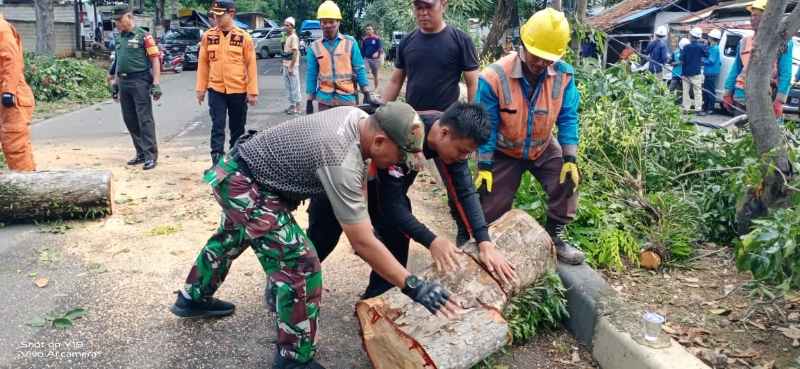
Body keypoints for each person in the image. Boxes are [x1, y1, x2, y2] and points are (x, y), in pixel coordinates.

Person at [170, 102, 460, 369]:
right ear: (381, 141)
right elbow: (360, 241)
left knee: (232, 236)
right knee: (300, 264)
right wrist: (413, 286)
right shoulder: (340, 158)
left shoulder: (359, 119)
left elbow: (360, 204)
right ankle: (294, 358)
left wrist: (367, 236)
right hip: (243, 182)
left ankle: (192, 298)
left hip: (241, 171)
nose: (402, 164)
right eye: (401, 156)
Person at [304, 102, 518, 302]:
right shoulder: (408, 134)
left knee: (396, 239)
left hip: (382, 188)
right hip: (339, 180)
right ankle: (294, 286)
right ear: (444, 133)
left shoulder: (451, 138)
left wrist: (484, 241)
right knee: (323, 238)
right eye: (462, 152)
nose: (463, 158)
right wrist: (432, 241)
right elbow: (391, 205)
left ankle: (375, 302)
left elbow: (465, 191)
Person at [474, 8, 585, 265]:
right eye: (537, 56)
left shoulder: (564, 75)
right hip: (503, 150)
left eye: (548, 60)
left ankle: (555, 236)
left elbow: (568, 117)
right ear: (523, 45)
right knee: (490, 206)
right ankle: (487, 243)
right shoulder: (493, 77)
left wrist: (570, 158)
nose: (541, 64)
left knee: (566, 178)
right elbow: (486, 124)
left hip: (543, 145)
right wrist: (485, 165)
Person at [382, 0, 480, 245]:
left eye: (429, 7)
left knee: (457, 186)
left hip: (448, 131)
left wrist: (469, 124)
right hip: (412, 130)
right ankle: (390, 229)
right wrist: (382, 113)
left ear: (443, 4)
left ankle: (463, 230)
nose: (423, 13)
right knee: (397, 182)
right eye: (418, 7)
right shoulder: (408, 42)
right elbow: (395, 80)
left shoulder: (460, 41)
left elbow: (473, 83)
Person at [196, 0, 258, 168]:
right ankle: (216, 161)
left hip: (238, 89)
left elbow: (251, 64)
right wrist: (201, 89)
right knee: (217, 125)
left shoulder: (243, 37)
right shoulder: (209, 36)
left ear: (231, 14)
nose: (215, 17)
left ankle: (234, 161)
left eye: (220, 15)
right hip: (216, 89)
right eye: (214, 14)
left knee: (237, 127)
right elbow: (203, 63)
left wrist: (252, 92)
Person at [108, 4, 161, 170]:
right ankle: (140, 153)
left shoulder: (144, 36)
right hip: (123, 82)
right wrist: (115, 83)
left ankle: (150, 155)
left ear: (129, 17)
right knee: (129, 119)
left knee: (144, 119)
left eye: (120, 19)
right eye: (115, 20)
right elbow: (118, 62)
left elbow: (155, 59)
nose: (117, 23)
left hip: (140, 81)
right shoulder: (119, 38)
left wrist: (156, 84)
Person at [724, 0, 793, 119]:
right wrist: (727, 92)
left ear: (768, 18)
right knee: (739, 133)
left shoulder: (781, 42)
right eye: (751, 15)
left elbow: (785, 73)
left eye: (756, 15)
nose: (752, 19)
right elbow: (735, 69)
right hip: (742, 95)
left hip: (767, 96)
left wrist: (779, 101)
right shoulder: (744, 42)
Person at [305, 1, 375, 113]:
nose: (327, 25)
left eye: (331, 21)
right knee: (326, 129)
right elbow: (311, 74)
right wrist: (309, 101)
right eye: (324, 22)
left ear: (338, 22)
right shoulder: (314, 47)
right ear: (320, 23)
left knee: (346, 129)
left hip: (347, 98)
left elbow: (359, 68)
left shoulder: (350, 42)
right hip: (325, 100)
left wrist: (366, 93)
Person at [0, 13, 35, 171]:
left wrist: (9, 91)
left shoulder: (2, 28)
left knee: (15, 145)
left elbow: (11, 60)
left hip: (11, 95)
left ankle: (27, 187)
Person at [681, 27, 707, 115]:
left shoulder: (686, 47)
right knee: (697, 91)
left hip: (685, 72)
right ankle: (698, 109)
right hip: (696, 72)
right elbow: (707, 54)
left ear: (691, 36)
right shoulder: (701, 47)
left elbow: (682, 59)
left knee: (685, 91)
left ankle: (686, 108)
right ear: (699, 37)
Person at [282, 16, 302, 115]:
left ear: (292, 26)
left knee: (294, 87)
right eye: (285, 25)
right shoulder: (288, 37)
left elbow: (295, 53)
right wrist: (284, 66)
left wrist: (291, 66)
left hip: (292, 66)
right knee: (288, 87)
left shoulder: (294, 37)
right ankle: (292, 105)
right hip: (286, 65)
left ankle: (297, 107)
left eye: (287, 25)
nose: (285, 27)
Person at [702, 29, 722, 114]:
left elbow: (711, 61)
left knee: (709, 90)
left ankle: (710, 108)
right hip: (710, 72)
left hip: (711, 72)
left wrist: (702, 60)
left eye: (709, 37)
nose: (708, 38)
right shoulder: (713, 47)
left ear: (712, 38)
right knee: (707, 89)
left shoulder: (714, 48)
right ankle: (707, 107)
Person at [362, 24, 383, 91]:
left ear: (373, 30)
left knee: (375, 75)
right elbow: (362, 50)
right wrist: (361, 58)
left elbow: (380, 48)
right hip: (366, 59)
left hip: (375, 60)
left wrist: (377, 52)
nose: (368, 30)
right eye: (367, 29)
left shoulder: (377, 38)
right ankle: (365, 88)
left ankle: (376, 88)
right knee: (363, 72)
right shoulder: (365, 39)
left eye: (370, 29)